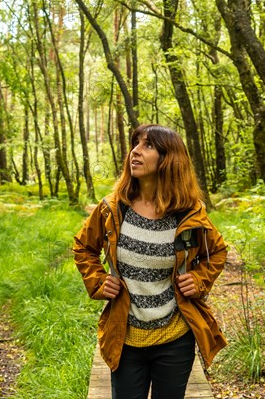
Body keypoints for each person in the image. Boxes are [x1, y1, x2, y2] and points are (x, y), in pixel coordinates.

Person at [73, 124, 227, 399]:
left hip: (175, 338)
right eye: (136, 144)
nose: (135, 151)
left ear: (169, 159)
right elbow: (83, 247)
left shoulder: (189, 213)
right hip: (125, 337)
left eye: (148, 146)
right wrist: (97, 280)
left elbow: (217, 251)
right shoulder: (112, 208)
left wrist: (200, 279)